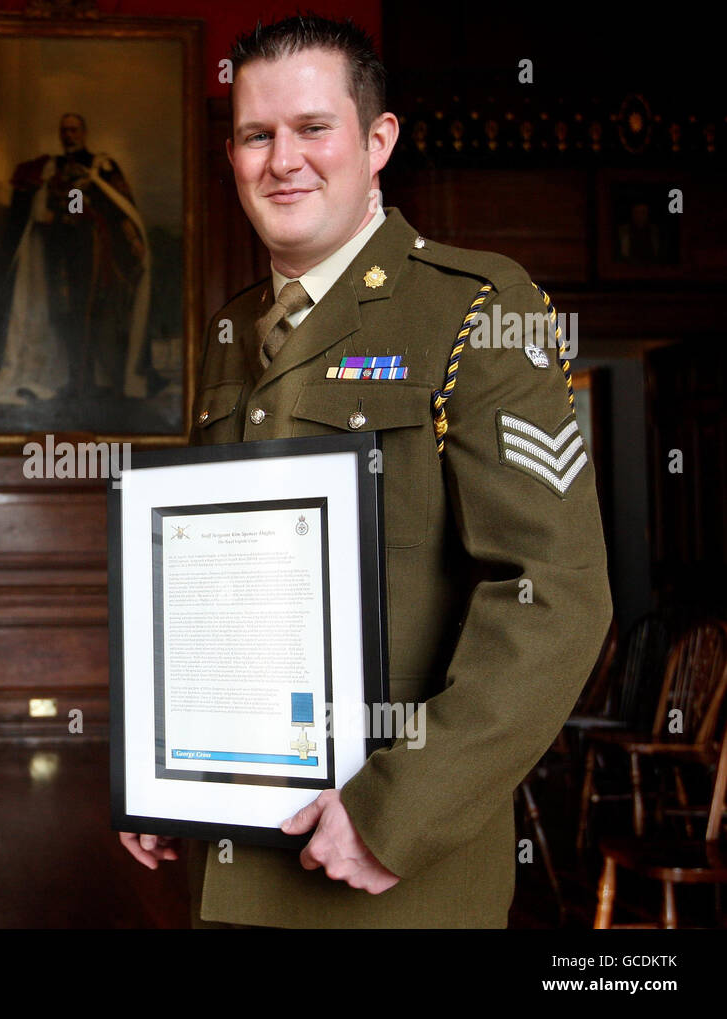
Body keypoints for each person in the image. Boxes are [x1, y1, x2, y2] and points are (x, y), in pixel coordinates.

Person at [119, 15, 611, 927]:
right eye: (256, 136)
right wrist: (164, 765)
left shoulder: (475, 307)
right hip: (233, 850)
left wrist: (394, 815)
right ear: (231, 156)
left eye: (313, 129)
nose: (283, 160)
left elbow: (556, 595)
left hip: (389, 872)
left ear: (377, 141)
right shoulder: (233, 331)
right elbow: (219, 581)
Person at [0, 113, 156, 410]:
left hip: (96, 255)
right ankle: (74, 381)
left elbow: (120, 209)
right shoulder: (52, 170)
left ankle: (95, 383)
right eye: (64, 130)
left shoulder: (100, 166)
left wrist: (133, 240)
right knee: (63, 316)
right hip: (60, 255)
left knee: (95, 316)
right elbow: (40, 212)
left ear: (84, 132)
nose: (69, 135)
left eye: (74, 130)